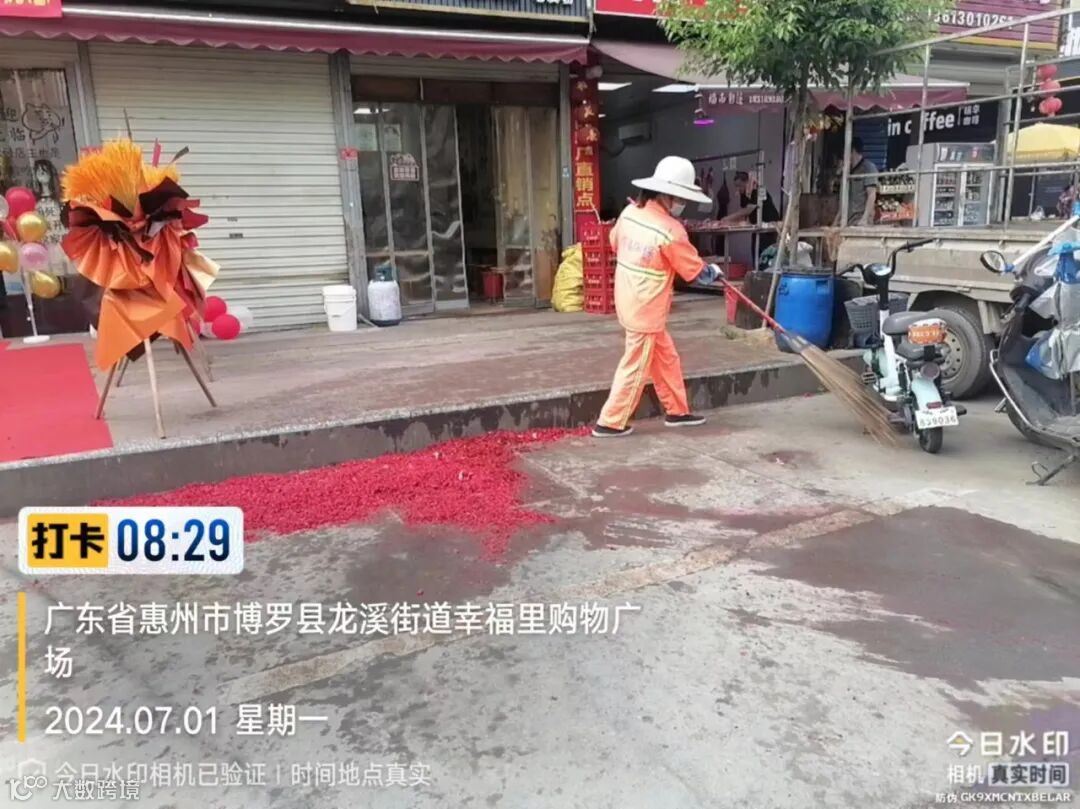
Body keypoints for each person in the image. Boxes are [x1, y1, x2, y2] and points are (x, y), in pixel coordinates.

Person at [593, 156, 724, 438]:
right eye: (681, 198)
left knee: (666, 358)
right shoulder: (671, 231)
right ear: (667, 194)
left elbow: (614, 242)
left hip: (629, 297)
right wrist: (712, 272)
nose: (683, 203)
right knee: (636, 365)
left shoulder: (630, 213)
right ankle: (611, 421)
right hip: (647, 307)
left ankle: (677, 411)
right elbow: (693, 271)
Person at [721, 170, 780, 251]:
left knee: (764, 252)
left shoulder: (756, 190)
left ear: (747, 182)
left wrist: (728, 218)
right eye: (736, 186)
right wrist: (734, 223)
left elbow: (748, 210)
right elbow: (744, 211)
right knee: (755, 250)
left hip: (768, 227)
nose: (738, 189)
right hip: (756, 226)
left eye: (739, 185)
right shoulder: (744, 194)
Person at [837, 137, 879, 226]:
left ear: (852, 150)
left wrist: (864, 219)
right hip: (847, 221)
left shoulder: (868, 168)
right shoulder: (847, 171)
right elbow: (843, 201)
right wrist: (836, 222)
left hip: (859, 221)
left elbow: (871, 195)